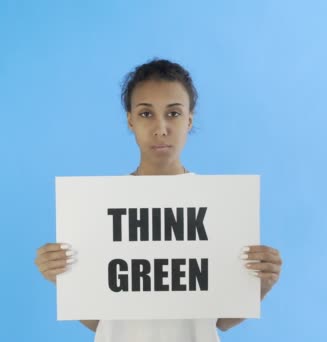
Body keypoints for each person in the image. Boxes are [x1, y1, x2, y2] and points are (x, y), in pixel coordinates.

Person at [34, 59, 283, 341]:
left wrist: (260, 285)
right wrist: (64, 279)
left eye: (174, 113)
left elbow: (222, 321)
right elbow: (102, 322)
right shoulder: (99, 206)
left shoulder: (219, 206)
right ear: (130, 119)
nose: (161, 127)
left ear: (189, 119)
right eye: (146, 114)